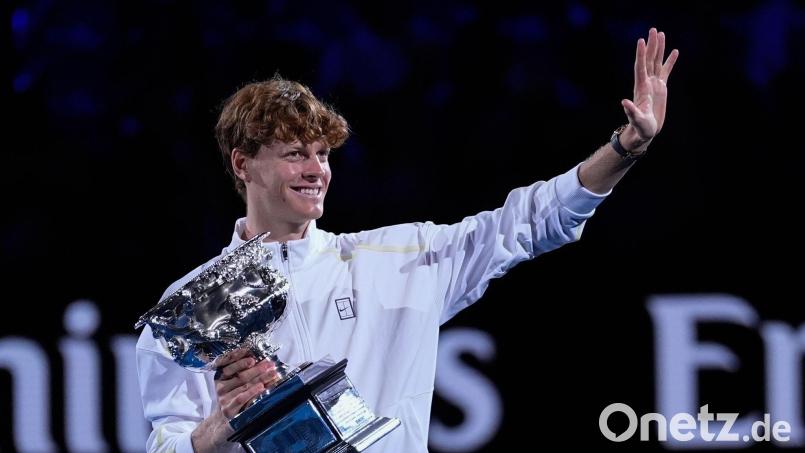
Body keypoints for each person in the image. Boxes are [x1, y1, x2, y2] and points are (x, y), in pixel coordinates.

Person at [136, 27, 678, 453]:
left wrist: (626, 147)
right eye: (295, 153)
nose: (316, 170)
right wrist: (217, 432)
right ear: (243, 164)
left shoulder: (399, 259)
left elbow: (533, 222)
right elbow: (166, 441)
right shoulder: (193, 304)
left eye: (323, 154)